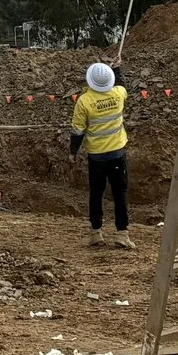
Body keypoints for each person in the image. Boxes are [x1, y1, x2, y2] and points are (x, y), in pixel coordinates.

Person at [69, 59, 132, 248]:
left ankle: (96, 233)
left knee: (96, 193)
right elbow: (122, 84)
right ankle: (122, 234)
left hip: (96, 156)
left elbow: (78, 130)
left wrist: (73, 152)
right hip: (117, 154)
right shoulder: (118, 94)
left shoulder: (84, 101)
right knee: (119, 193)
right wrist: (117, 67)